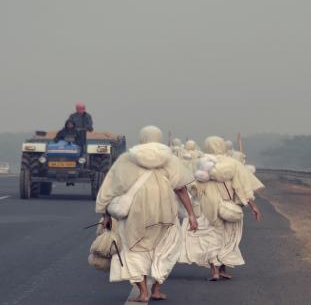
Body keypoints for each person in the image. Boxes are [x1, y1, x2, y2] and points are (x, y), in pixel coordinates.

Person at [96, 125, 198, 303]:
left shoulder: (126, 159)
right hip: (165, 212)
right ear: (158, 137)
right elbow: (181, 189)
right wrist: (191, 214)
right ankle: (156, 289)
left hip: (136, 214)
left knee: (133, 248)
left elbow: (110, 189)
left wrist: (105, 216)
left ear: (141, 137)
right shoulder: (170, 159)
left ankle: (143, 292)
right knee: (165, 248)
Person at [179, 136, 263, 281]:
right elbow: (242, 187)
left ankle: (214, 271)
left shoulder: (201, 163)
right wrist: (253, 206)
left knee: (210, 237)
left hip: (207, 207)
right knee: (228, 237)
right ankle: (223, 268)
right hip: (229, 206)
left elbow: (193, 188)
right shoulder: (233, 163)